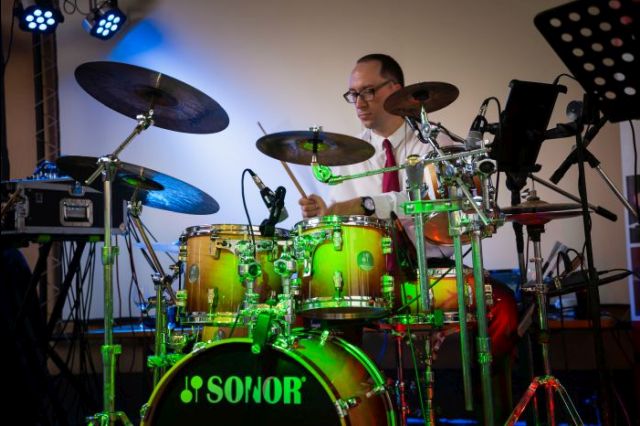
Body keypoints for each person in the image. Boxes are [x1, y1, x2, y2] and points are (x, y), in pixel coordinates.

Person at [298, 53, 519, 421]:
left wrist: (371, 203)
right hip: (371, 278)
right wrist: (324, 212)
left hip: (433, 273)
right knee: (327, 312)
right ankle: (358, 412)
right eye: (353, 94)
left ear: (395, 89)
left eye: (368, 91)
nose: (359, 102)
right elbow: (343, 229)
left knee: (503, 306)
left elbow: (438, 203)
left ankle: (492, 411)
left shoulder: (435, 145)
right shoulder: (346, 156)